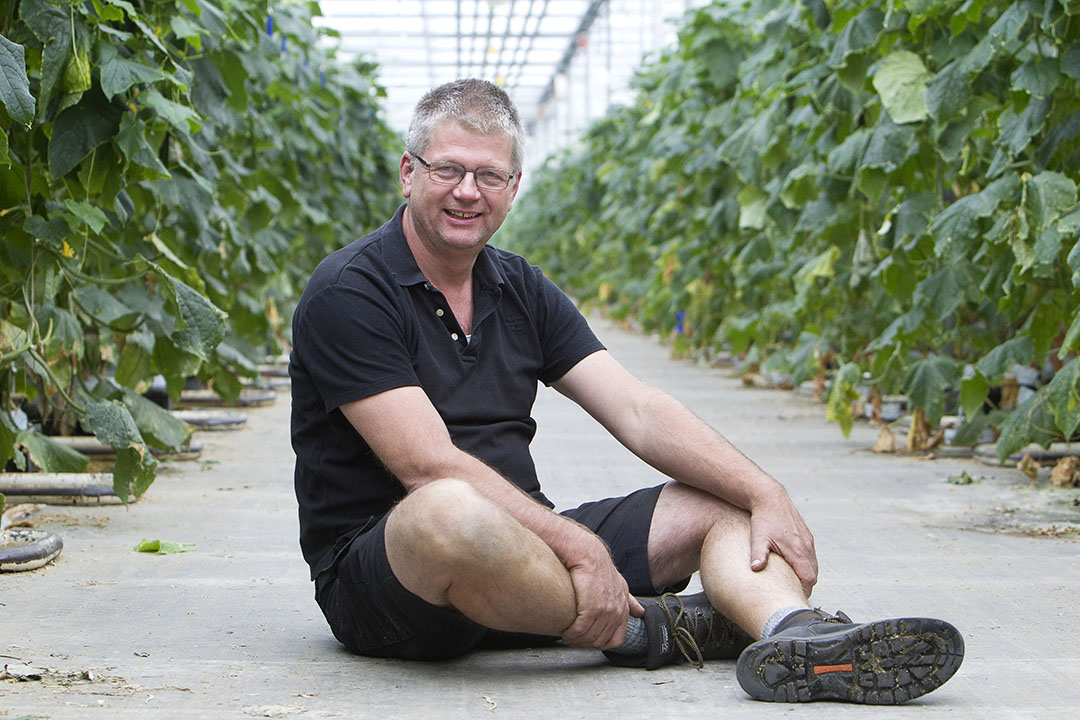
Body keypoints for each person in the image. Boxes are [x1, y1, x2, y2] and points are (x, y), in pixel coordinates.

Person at [288, 78, 964, 704]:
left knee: (716, 496)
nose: (469, 191)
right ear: (410, 173)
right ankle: (650, 632)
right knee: (448, 510)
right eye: (449, 170)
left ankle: (797, 635)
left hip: (525, 551)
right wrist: (581, 550)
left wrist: (765, 492)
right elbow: (424, 465)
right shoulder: (352, 290)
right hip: (392, 578)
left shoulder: (518, 286)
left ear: (514, 186)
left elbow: (637, 409)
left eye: (489, 175)